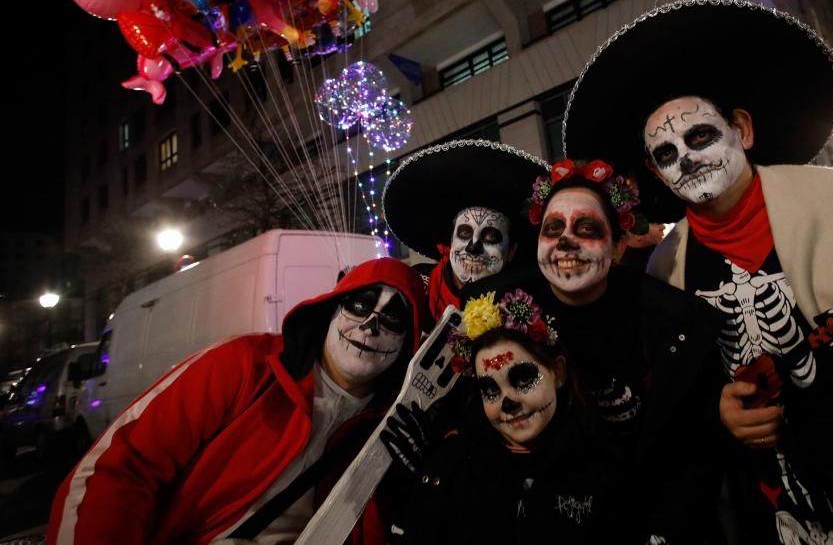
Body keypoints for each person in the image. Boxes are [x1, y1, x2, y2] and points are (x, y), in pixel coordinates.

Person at [561, 0, 833, 542]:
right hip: (777, 508)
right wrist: (721, 413)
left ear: (741, 129)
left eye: (700, 136)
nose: (689, 159)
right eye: (668, 154)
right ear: (656, 172)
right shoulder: (666, 266)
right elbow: (681, 399)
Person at [48, 258, 428, 545]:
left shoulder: (386, 429)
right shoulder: (243, 366)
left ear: (407, 341)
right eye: (360, 304)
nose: (370, 326)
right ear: (331, 309)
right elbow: (118, 468)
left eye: (394, 318)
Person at [464, 160, 729, 543]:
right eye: (552, 229)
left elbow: (693, 451)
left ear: (619, 244)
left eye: (586, 228)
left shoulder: (673, 321)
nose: (565, 241)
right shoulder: (497, 308)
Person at [395, 289, 623, 544]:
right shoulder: (452, 465)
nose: (508, 402)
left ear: (557, 373)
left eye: (523, 378)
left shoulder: (603, 467)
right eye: (490, 389)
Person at [382, 139, 549, 324]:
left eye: (491, 236)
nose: (473, 247)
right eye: (464, 233)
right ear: (451, 241)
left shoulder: (531, 305)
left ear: (511, 251)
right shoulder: (419, 293)